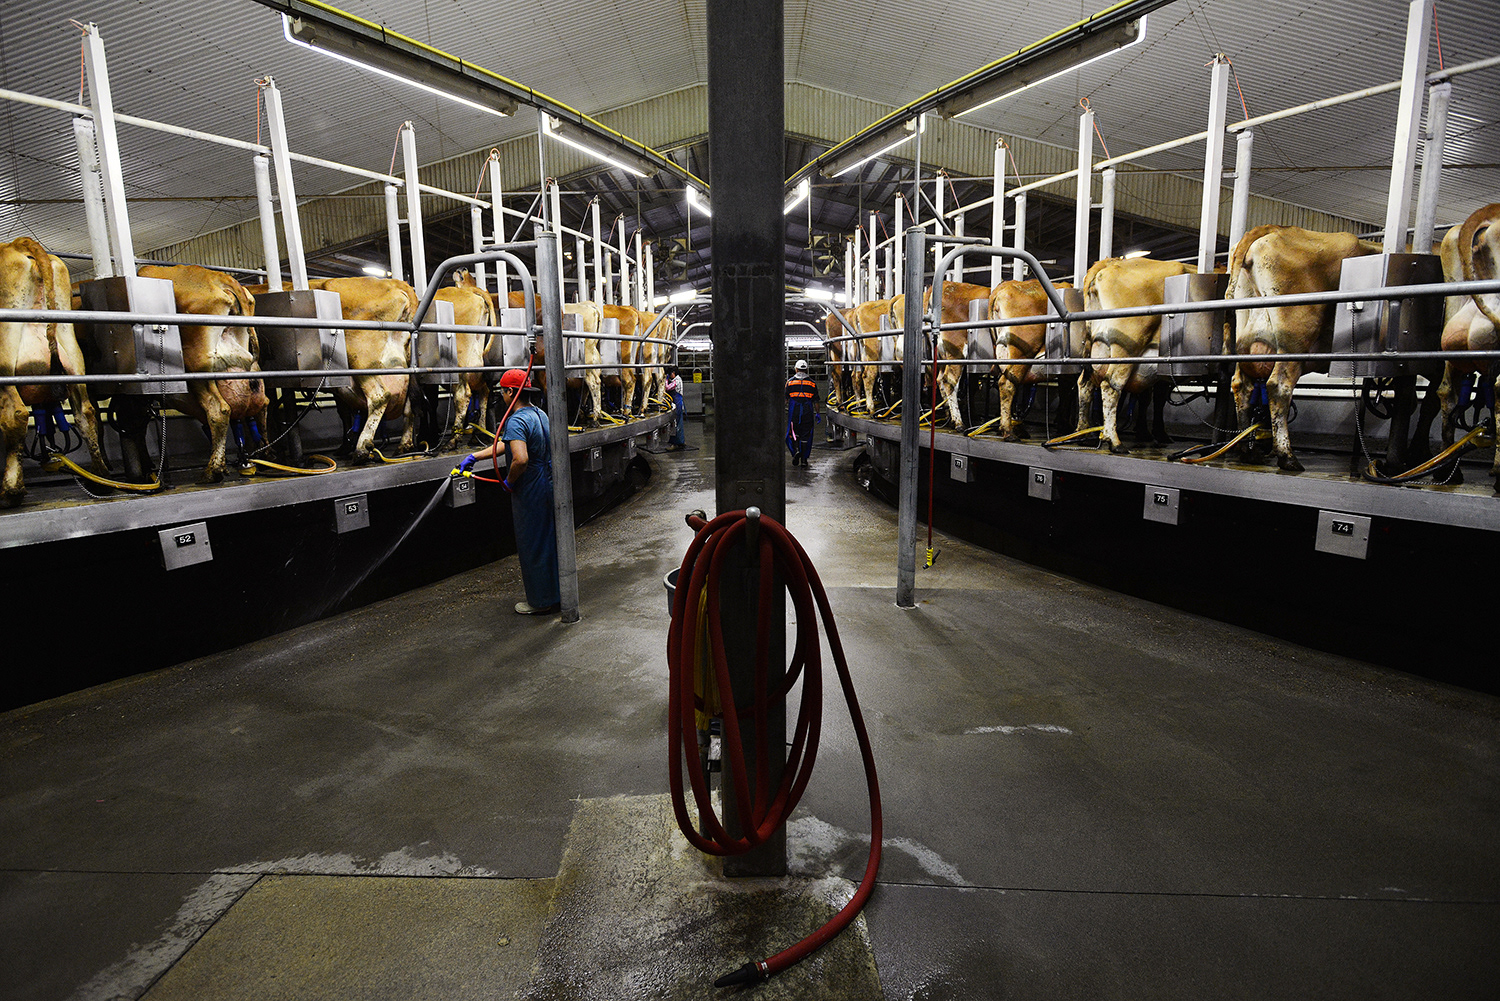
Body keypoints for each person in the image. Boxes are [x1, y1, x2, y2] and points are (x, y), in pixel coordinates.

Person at [459, 368, 560, 615]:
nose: (502, 395)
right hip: (547, 481)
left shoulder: (515, 419)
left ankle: (540, 601)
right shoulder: (540, 414)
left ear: (510, 392)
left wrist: (509, 481)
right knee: (548, 540)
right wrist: (476, 456)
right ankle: (556, 594)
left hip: (530, 487)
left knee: (532, 543)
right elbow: (511, 443)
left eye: (503, 391)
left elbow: (521, 458)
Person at [785, 359, 819, 466]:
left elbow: (785, 400)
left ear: (796, 369)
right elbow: (816, 401)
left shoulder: (789, 382)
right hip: (807, 412)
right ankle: (804, 460)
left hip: (794, 411)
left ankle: (796, 451)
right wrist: (817, 413)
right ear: (807, 369)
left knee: (794, 433)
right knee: (806, 435)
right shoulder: (812, 383)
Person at [664, 365, 686, 450]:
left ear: (673, 373)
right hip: (677, 402)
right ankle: (681, 441)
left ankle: (675, 443)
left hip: (677, 403)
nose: (670, 376)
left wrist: (665, 379)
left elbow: (667, 388)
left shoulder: (677, 380)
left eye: (670, 374)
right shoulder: (676, 379)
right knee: (678, 422)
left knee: (675, 423)